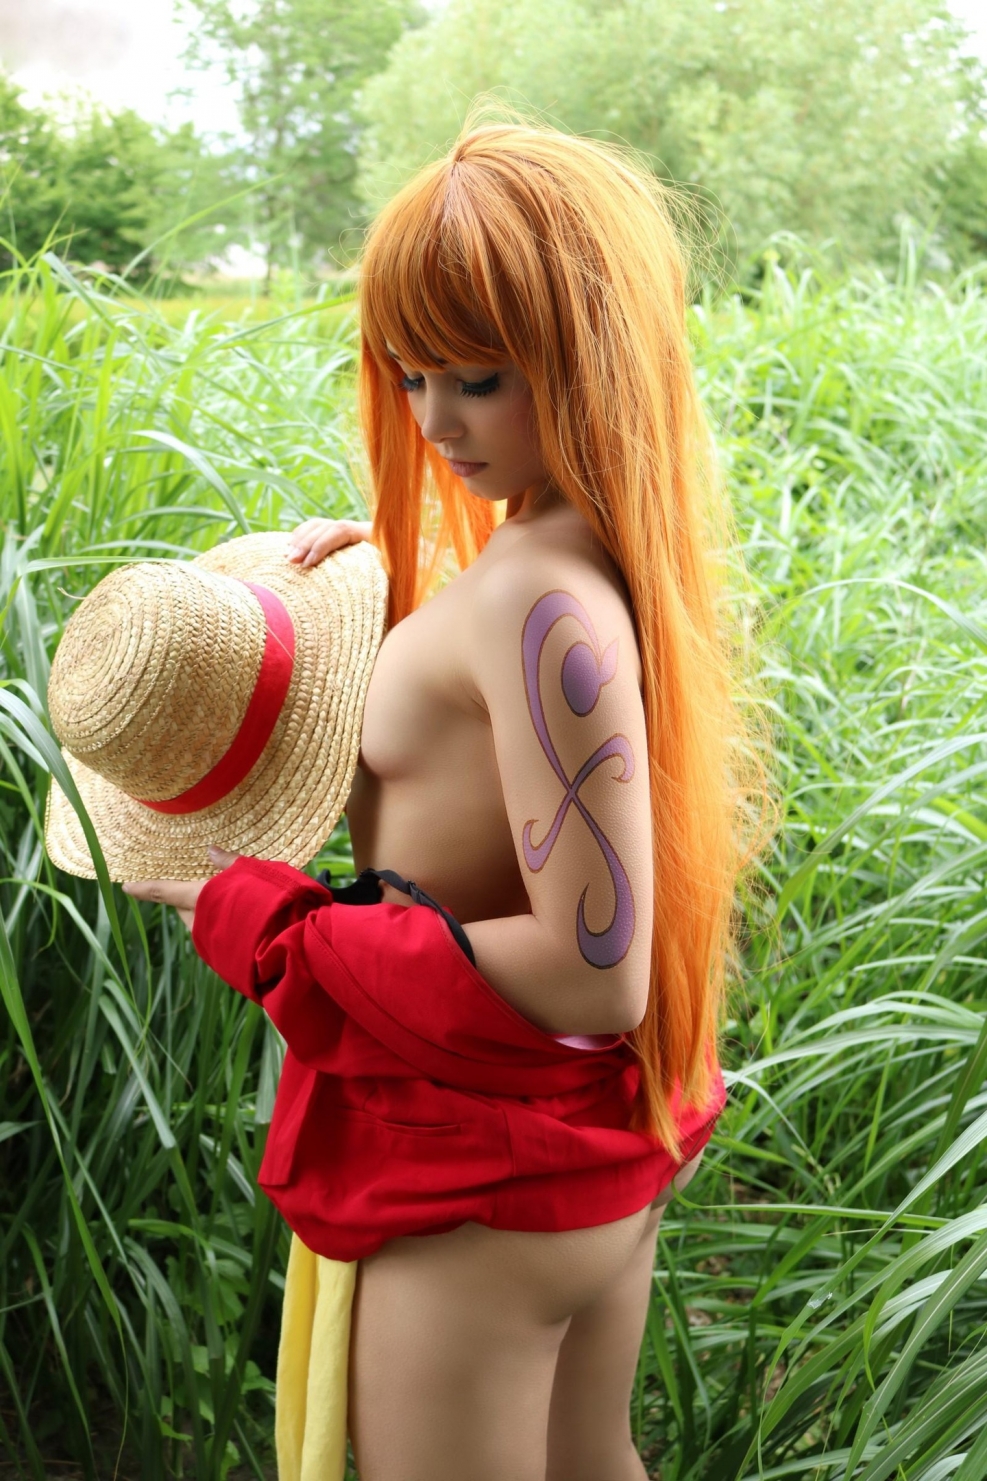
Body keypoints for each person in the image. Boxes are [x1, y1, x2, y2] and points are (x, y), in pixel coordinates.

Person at [126, 118, 757, 1481]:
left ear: (591, 358)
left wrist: (277, 926)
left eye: (476, 377)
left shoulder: (535, 602)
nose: (431, 421)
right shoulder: (580, 558)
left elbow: (594, 971)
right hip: (575, 1149)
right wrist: (390, 593)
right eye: (408, 374)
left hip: (485, 1176)